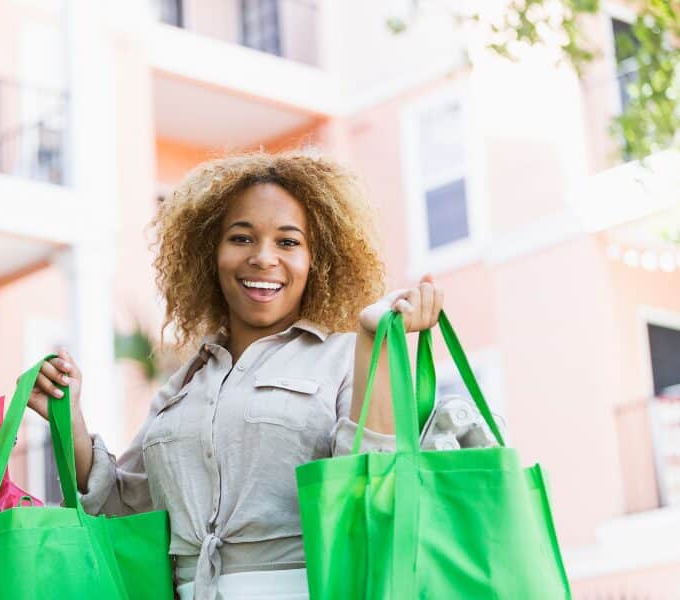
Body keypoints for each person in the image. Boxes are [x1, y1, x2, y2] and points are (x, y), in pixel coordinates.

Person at [27, 152, 444, 599]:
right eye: (242, 238)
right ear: (211, 254)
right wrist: (69, 420)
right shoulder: (184, 383)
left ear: (316, 260)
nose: (263, 258)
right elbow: (122, 515)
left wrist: (372, 340)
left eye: (288, 242)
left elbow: (371, 488)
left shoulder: (343, 357)